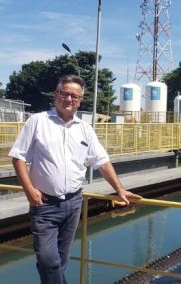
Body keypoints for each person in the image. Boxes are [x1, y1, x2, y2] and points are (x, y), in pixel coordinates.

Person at [8, 75, 142, 284]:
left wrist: (120, 190)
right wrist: (28, 189)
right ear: (56, 95)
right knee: (47, 260)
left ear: (80, 100)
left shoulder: (84, 129)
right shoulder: (38, 121)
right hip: (44, 204)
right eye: (64, 94)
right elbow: (18, 156)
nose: (69, 99)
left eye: (74, 96)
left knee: (60, 260)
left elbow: (102, 161)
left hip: (73, 204)